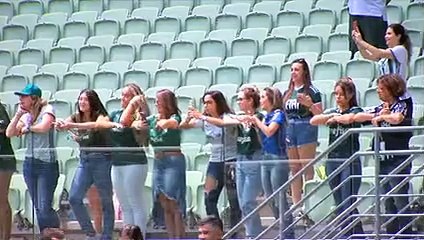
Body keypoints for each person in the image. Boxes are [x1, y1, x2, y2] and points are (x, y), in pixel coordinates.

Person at [354, 74, 414, 236]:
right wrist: (376, 115)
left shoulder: (403, 104)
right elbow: (358, 116)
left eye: (381, 88)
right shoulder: (381, 107)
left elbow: (397, 119)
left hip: (398, 158)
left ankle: (406, 233)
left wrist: (381, 117)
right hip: (382, 160)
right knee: (387, 199)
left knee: (399, 198)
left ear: (391, 89)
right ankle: (391, 233)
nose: (378, 91)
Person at [55, 89, 115, 240]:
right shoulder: (76, 116)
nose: (82, 102)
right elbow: (64, 122)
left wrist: (73, 126)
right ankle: (90, 233)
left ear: (92, 102)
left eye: (85, 100)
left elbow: (99, 125)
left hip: (101, 159)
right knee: (74, 198)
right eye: (80, 99)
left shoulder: (101, 115)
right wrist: (61, 124)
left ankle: (107, 235)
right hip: (85, 160)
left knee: (106, 200)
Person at [310, 78, 365, 237]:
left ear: (350, 94)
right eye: (336, 94)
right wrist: (332, 116)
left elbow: (350, 119)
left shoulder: (355, 109)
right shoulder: (333, 111)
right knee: (340, 202)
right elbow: (314, 120)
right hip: (333, 160)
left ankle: (351, 234)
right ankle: (352, 233)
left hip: (350, 160)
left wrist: (335, 118)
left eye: (341, 94)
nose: (338, 97)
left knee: (348, 201)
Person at [180, 91, 241, 232]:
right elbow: (183, 126)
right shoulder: (205, 120)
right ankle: (216, 230)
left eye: (209, 102)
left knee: (233, 201)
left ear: (218, 103)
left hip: (230, 161)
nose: (206, 106)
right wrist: (189, 117)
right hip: (215, 162)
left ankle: (234, 232)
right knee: (209, 198)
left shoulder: (228, 117)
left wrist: (201, 116)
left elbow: (222, 124)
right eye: (205, 103)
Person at [6, 84, 60, 234]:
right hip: (30, 164)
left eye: (24, 96)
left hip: (46, 164)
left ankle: (54, 232)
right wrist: (18, 115)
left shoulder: (47, 110)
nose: (20, 99)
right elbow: (10, 133)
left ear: (34, 98)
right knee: (37, 205)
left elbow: (44, 127)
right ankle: (46, 234)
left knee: (44, 205)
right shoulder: (26, 115)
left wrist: (28, 128)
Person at [133, 89, 186, 239]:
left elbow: (172, 123)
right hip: (158, 162)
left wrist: (161, 123)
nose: (156, 103)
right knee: (164, 202)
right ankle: (171, 236)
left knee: (174, 202)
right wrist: (139, 124)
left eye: (159, 100)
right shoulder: (152, 119)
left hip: (173, 161)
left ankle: (179, 237)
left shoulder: (174, 116)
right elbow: (139, 130)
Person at [250, 87, 294, 238]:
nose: (260, 100)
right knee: (269, 196)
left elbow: (270, 131)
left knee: (279, 196)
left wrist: (256, 121)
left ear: (271, 99)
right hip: (266, 156)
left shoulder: (278, 114)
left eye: (263, 97)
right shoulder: (265, 116)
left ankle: (288, 232)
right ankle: (282, 225)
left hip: (277, 158)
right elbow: (263, 137)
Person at [282, 59, 323, 217]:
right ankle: (296, 204)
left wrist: (309, 104)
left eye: (297, 70)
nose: (293, 72)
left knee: (306, 167)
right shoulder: (288, 92)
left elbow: (320, 114)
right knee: (294, 168)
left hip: (306, 126)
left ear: (304, 72)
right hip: (290, 128)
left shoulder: (312, 91)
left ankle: (309, 203)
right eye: (292, 69)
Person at [110, 83, 150, 238]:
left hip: (134, 162)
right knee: (125, 205)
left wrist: (135, 107)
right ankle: (127, 236)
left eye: (127, 95)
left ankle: (140, 236)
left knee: (135, 202)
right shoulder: (115, 113)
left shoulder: (140, 117)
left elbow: (125, 124)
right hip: (117, 162)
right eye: (122, 95)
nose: (123, 98)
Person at [352, 23, 413, 113]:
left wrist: (362, 41)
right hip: (388, 99)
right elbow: (366, 55)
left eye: (389, 34)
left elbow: (378, 53)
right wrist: (358, 42)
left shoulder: (401, 50)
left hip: (400, 98)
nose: (386, 36)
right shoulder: (386, 54)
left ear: (398, 36)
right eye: (385, 34)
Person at [0, 102, 16, 240]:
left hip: (4, 159)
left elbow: (5, 128)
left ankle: (5, 237)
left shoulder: (0, 108)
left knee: (2, 199)